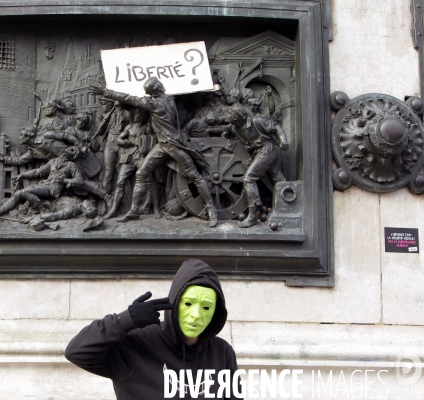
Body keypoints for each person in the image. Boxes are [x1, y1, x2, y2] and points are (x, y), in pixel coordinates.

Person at [65, 259, 241, 399]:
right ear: (175, 301)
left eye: (206, 307)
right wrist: (125, 320)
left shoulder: (221, 352)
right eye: (188, 303)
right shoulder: (137, 344)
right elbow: (77, 352)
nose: (196, 315)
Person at [91, 77, 218, 227]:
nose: (163, 85)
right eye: (160, 84)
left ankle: (211, 210)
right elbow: (129, 99)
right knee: (141, 173)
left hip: (172, 145)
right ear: (158, 88)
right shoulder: (169, 100)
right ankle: (134, 210)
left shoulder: (155, 104)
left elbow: (129, 98)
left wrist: (105, 92)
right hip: (162, 145)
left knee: (195, 176)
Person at [220, 103, 289, 228]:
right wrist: (225, 136)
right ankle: (288, 207)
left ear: (237, 117)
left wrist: (283, 140)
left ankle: (252, 216)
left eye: (229, 114)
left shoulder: (256, 121)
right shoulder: (235, 128)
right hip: (261, 153)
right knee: (278, 180)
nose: (226, 115)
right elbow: (224, 129)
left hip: (268, 150)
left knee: (248, 179)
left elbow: (276, 126)